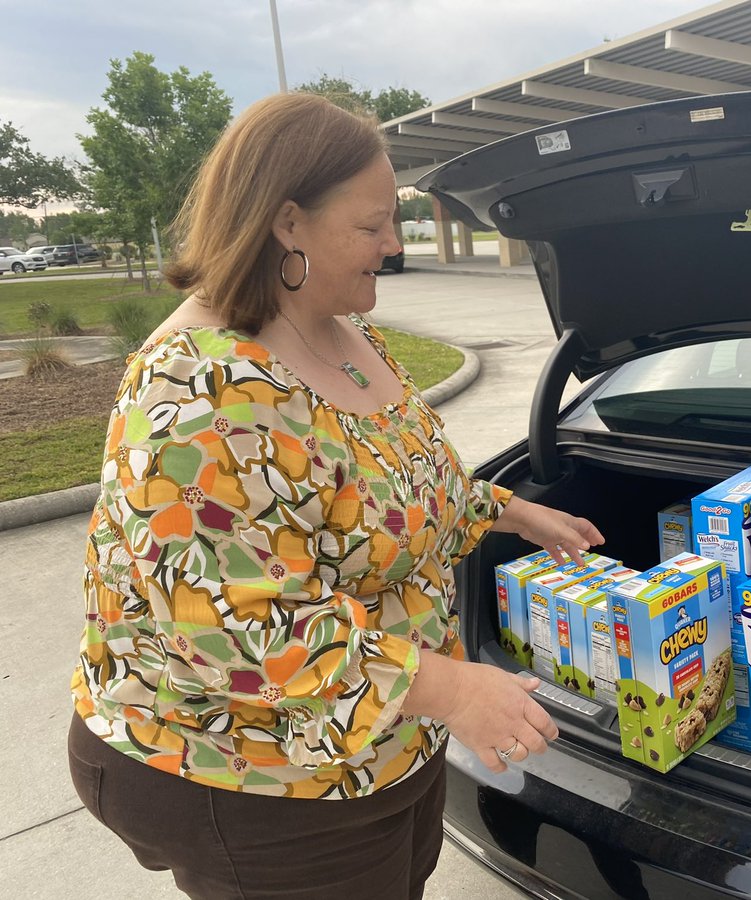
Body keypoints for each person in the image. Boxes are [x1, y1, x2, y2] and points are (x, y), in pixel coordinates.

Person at [67, 92, 603, 899]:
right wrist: (453, 689)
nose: (395, 244)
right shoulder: (200, 387)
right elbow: (231, 627)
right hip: (256, 781)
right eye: (372, 224)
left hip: (384, 746)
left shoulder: (347, 333)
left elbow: (399, 484)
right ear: (288, 222)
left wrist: (510, 510)